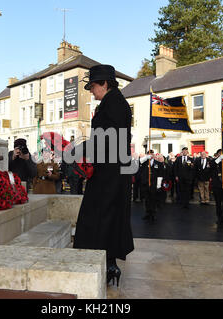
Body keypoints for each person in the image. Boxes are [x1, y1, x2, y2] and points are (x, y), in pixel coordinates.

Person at [73, 64, 134, 287]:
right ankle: (107, 262)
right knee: (105, 216)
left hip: (110, 172)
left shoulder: (114, 104)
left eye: (93, 86)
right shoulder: (113, 102)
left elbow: (108, 139)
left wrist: (83, 152)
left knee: (101, 215)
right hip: (110, 170)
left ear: (105, 84)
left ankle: (106, 263)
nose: (91, 91)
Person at [139, 151, 164, 222]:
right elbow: (139, 162)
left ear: (154, 155)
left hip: (154, 184)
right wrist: (146, 157)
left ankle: (153, 214)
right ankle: (147, 213)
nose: (151, 155)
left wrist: (158, 185)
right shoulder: (144, 162)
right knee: (147, 200)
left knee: (153, 199)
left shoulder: (158, 164)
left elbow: (160, 175)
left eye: (152, 154)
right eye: (149, 154)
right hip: (146, 184)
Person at [210, 149, 223, 226]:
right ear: (218, 154)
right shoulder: (214, 161)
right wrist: (219, 159)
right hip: (217, 186)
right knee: (218, 203)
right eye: (220, 153)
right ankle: (219, 218)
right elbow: (212, 166)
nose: (222, 155)